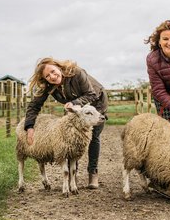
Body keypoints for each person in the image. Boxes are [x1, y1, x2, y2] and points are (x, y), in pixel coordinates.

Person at [24, 57, 108, 189]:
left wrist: (74, 103)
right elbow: (34, 106)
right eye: (47, 76)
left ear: (58, 67)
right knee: (70, 138)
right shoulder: (48, 86)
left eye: (53, 71)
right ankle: (72, 176)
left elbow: (90, 94)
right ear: (45, 79)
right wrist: (29, 127)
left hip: (95, 101)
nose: (52, 76)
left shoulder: (76, 72)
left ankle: (93, 173)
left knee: (93, 136)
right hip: (73, 107)